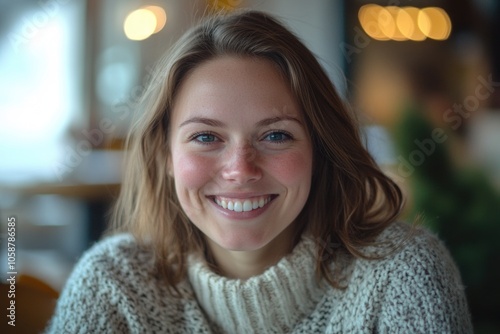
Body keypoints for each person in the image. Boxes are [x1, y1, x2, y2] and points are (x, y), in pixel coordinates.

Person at [46, 10, 472, 333]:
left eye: (276, 136)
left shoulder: (402, 275)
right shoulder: (111, 286)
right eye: (206, 137)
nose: (240, 170)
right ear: (163, 156)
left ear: (320, 150)